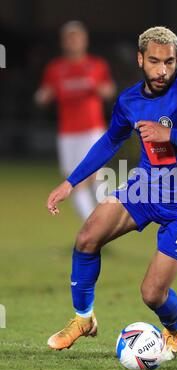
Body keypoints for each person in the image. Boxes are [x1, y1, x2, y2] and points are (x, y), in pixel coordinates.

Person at [46, 26, 177, 360]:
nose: (162, 71)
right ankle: (83, 319)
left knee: (152, 294)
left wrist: (170, 134)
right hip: (145, 187)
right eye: (154, 61)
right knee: (87, 237)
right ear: (140, 59)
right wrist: (71, 182)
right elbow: (109, 141)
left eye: (169, 62)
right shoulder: (130, 100)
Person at [36, 20, 116, 220]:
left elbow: (109, 91)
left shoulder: (96, 65)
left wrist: (98, 88)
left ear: (84, 40)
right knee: (72, 178)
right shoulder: (55, 68)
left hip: (92, 129)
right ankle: (92, 228)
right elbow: (42, 95)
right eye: (69, 38)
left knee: (92, 176)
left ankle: (104, 225)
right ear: (63, 42)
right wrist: (44, 96)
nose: (73, 42)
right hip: (68, 133)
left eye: (77, 37)